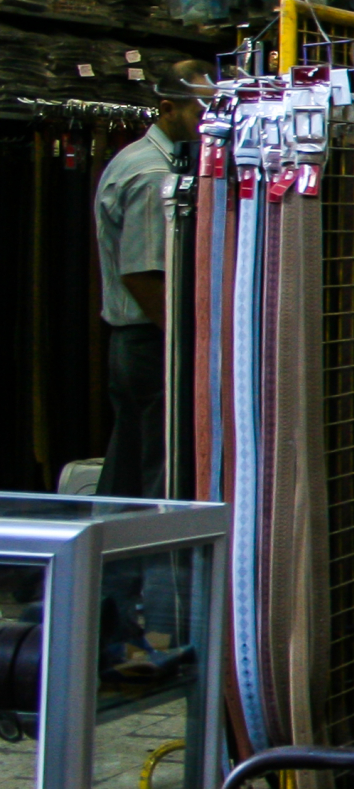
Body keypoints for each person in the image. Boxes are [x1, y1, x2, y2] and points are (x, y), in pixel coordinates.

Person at [91, 62, 213, 499]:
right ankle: (157, 566)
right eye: (200, 115)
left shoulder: (157, 163)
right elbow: (142, 272)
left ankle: (113, 563)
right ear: (167, 109)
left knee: (131, 462)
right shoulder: (152, 175)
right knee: (161, 468)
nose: (208, 126)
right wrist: (186, 339)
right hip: (150, 341)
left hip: (142, 340)